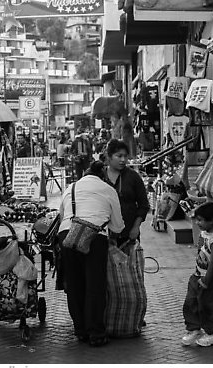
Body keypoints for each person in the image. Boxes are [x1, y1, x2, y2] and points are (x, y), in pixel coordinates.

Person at [58, 161, 125, 347]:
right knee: (95, 286)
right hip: (94, 237)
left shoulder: (70, 187)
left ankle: (80, 330)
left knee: (74, 284)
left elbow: (61, 214)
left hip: (67, 235)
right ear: (102, 174)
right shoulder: (107, 189)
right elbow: (117, 225)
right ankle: (96, 333)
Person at [182, 202, 213, 347]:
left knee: (209, 306)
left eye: (200, 220)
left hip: (210, 279)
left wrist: (207, 279)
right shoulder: (203, 234)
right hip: (197, 275)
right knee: (191, 302)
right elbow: (200, 250)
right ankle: (194, 329)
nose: (197, 223)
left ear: (211, 220)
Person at [104, 139, 150, 247]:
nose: (123, 160)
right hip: (105, 235)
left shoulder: (133, 177)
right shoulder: (100, 177)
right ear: (109, 156)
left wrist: (136, 227)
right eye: (119, 156)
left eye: (125, 156)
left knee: (130, 263)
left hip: (129, 234)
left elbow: (143, 205)